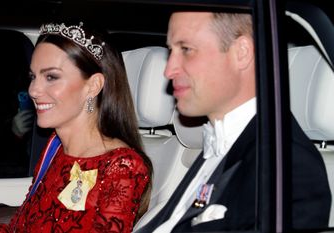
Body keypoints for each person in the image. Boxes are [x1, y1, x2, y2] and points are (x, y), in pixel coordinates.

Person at [0, 21, 152, 233]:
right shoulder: (54, 150)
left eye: (51, 77)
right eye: (33, 76)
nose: (34, 90)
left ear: (93, 86)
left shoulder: (122, 166)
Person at [134, 12, 331, 232]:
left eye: (187, 50)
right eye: (171, 51)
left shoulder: (289, 169)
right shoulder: (218, 146)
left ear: (242, 53)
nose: (169, 70)